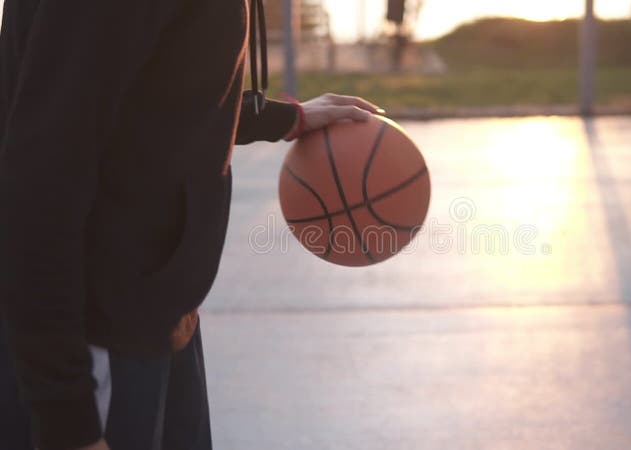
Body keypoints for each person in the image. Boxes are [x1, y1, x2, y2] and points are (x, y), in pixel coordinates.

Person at [0, 1, 382, 449]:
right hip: (93, 336)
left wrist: (279, 118)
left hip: (155, 312)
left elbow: (152, 92)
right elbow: (40, 183)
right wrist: (67, 418)